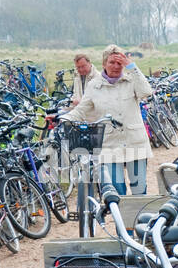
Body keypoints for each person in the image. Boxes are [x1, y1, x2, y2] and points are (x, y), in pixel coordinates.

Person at [61, 44, 153, 195]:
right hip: (110, 144)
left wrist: (131, 66)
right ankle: (122, 218)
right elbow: (80, 110)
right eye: (112, 62)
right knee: (117, 192)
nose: (116, 66)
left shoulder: (131, 80)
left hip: (135, 142)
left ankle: (139, 219)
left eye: (119, 63)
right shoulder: (94, 86)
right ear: (104, 64)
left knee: (139, 191)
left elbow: (146, 92)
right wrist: (61, 119)